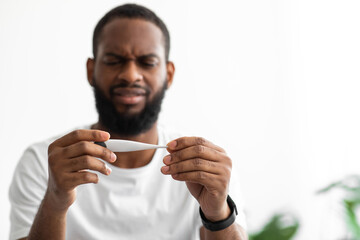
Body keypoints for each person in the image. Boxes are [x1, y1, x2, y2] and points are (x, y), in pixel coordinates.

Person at [9, 4, 247, 240]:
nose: (131, 75)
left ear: (169, 74)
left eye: (147, 62)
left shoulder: (204, 166)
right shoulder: (43, 162)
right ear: (91, 70)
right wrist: (55, 199)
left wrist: (218, 214)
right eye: (113, 61)